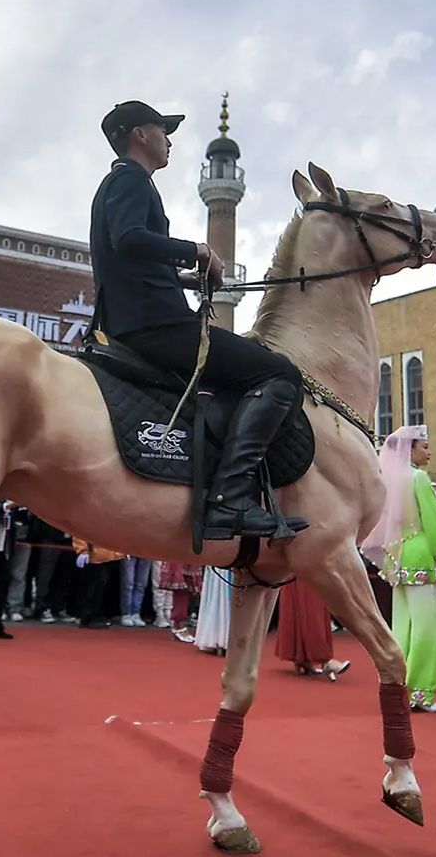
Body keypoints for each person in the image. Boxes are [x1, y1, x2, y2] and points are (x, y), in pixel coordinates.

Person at [88, 99, 304, 541]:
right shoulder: (132, 179)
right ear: (140, 135)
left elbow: (131, 259)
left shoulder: (120, 183)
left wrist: (185, 277)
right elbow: (129, 239)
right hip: (154, 325)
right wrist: (198, 251)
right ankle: (231, 500)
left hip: (136, 317)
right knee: (278, 373)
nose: (169, 141)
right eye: (162, 131)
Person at [363, 425, 436, 712]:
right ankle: (420, 691)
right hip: (424, 553)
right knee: (428, 627)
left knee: (402, 625)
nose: (428, 451)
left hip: (400, 554)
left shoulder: (388, 479)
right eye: (424, 446)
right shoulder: (419, 478)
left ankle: (396, 685)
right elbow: (433, 522)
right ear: (410, 449)